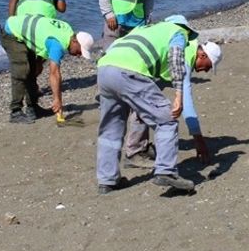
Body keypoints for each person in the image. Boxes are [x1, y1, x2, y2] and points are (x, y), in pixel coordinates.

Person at [94, 15, 222, 195]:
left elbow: (116, 47)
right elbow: (176, 58)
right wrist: (178, 94)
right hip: (128, 70)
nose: (205, 70)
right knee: (167, 119)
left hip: (105, 68)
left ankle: (107, 180)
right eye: (208, 65)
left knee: (110, 129)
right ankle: (165, 171)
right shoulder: (179, 33)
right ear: (202, 54)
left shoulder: (150, 29)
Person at [98, 0, 159, 161]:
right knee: (110, 62)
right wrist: (108, 14)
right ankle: (110, 97)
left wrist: (148, 18)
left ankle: (136, 143)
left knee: (135, 69)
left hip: (137, 23)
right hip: (116, 22)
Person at [0, 14, 94, 123]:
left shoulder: (68, 30)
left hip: (23, 30)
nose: (78, 55)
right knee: (21, 70)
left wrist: (39, 61)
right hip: (12, 31)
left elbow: (44, 35)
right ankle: (15, 111)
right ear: (75, 42)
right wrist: (57, 100)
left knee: (32, 69)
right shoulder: (58, 44)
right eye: (80, 51)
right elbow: (54, 73)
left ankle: (33, 108)